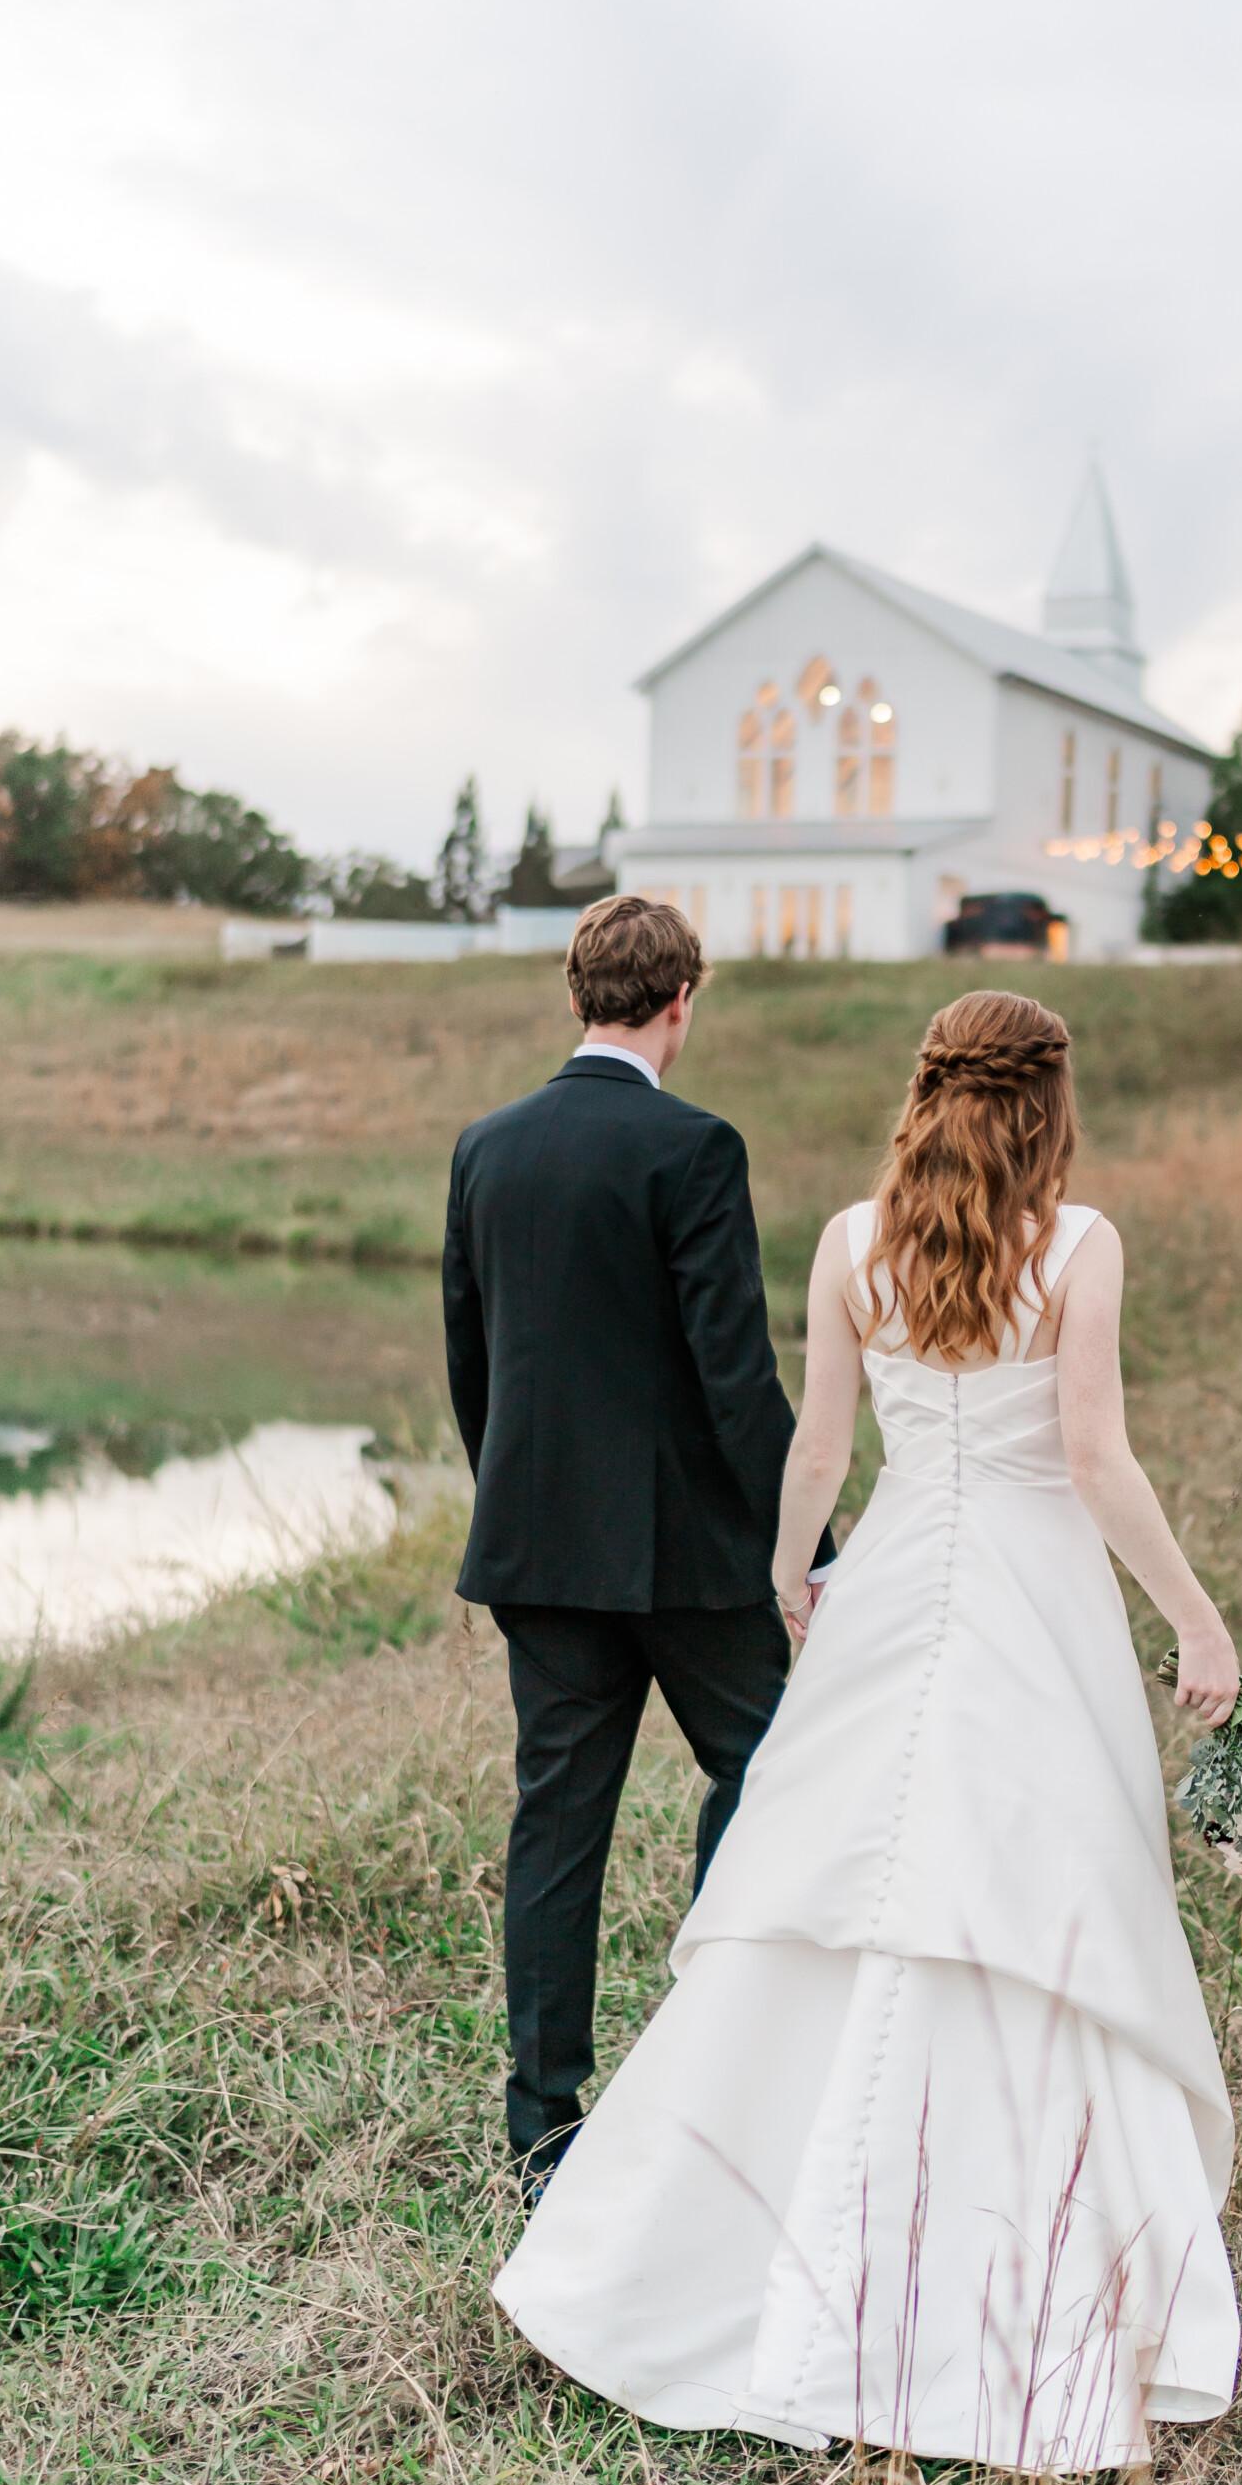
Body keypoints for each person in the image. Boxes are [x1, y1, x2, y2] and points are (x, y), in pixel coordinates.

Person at [494, 989, 1242, 2474]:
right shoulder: (1079, 1246)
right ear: (1048, 1101)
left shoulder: (852, 1240)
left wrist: (792, 1573)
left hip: (893, 1584)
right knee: (1035, 1889)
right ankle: (1015, 2300)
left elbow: (821, 1442)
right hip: (1038, 1599)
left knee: (843, 1888)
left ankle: (721, 2243)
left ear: (926, 1090)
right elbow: (1093, 1456)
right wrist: (1196, 1620)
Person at [442, 895, 833, 2195]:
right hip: (688, 1563)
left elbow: (474, 1367)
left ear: (576, 996)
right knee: (767, 1772)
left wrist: (521, 1499)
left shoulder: (486, 1148)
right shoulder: (694, 1147)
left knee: (558, 1823)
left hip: (541, 1557)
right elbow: (737, 1373)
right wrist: (811, 1544)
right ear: (683, 1001)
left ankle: (542, 2129)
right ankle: (702, 2061)